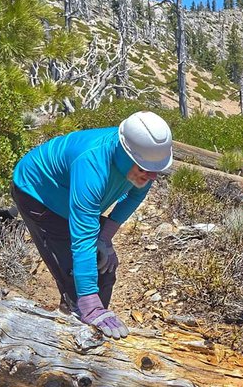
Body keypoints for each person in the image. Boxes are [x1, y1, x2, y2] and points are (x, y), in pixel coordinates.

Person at [11, 111, 173, 339]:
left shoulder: (144, 160)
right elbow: (83, 239)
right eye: (144, 169)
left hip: (73, 197)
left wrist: (105, 238)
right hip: (39, 194)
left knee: (103, 267)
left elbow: (134, 196)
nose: (151, 176)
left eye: (155, 170)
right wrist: (89, 302)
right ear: (125, 153)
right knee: (75, 280)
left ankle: (90, 329)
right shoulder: (91, 163)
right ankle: (72, 335)